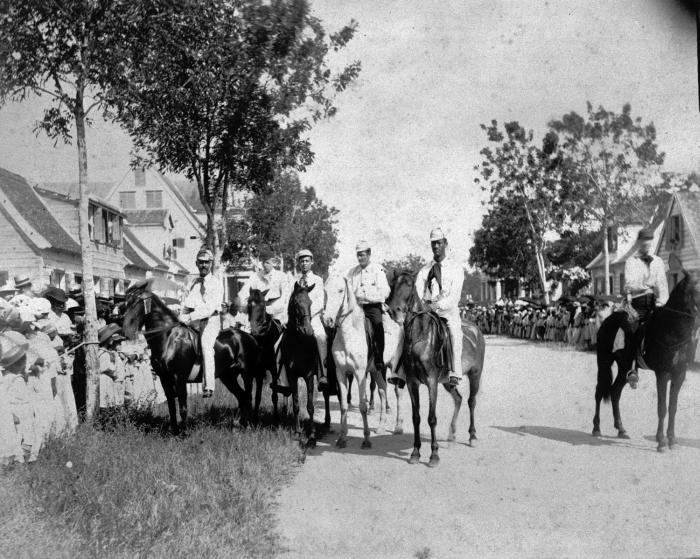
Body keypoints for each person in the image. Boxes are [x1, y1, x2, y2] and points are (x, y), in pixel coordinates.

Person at [415, 228, 464, 386]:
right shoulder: (425, 270)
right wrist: (424, 305)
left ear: (445, 244)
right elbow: (418, 290)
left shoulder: (455, 268)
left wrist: (437, 305)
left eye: (439, 243)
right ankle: (400, 371)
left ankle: (455, 371)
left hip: (447, 312)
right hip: (427, 313)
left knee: (455, 334)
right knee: (406, 332)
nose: (436, 246)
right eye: (433, 243)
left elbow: (454, 297)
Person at [623, 227, 669, 388]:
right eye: (644, 241)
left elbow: (662, 285)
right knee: (633, 330)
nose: (647, 244)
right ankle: (632, 369)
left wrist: (662, 302)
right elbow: (629, 283)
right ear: (639, 242)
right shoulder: (631, 261)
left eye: (650, 241)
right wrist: (647, 285)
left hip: (654, 302)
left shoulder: (658, 261)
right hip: (637, 303)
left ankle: (669, 363)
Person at [179, 248, 223, 398]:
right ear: (196, 263)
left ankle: (209, 385)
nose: (203, 265)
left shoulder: (216, 283)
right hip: (194, 321)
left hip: (211, 321)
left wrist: (190, 317)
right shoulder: (195, 284)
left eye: (206, 262)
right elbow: (187, 304)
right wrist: (181, 316)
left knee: (206, 345)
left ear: (211, 264)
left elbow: (209, 309)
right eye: (201, 262)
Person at [347, 241, 390, 371]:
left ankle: (379, 358)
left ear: (369, 254)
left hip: (372, 306)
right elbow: (348, 289)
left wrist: (367, 296)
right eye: (358, 255)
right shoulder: (352, 272)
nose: (360, 258)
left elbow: (385, 291)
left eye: (363, 255)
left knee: (378, 326)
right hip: (356, 307)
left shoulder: (378, 269)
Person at [295, 249, 328, 390]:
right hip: (297, 319)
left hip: (313, 318)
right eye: (302, 261)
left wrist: (307, 315)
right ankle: (282, 378)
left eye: (307, 260)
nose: (304, 263)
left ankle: (323, 375)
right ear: (298, 263)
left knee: (321, 337)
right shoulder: (295, 281)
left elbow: (320, 302)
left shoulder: (318, 280)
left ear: (312, 262)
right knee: (281, 340)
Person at [237, 249, 290, 325]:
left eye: (267, 262)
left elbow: (285, 299)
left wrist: (267, 310)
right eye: (263, 262)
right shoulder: (255, 276)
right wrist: (244, 304)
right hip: (257, 317)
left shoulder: (282, 276)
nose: (264, 265)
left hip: (277, 316)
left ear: (273, 262)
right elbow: (243, 293)